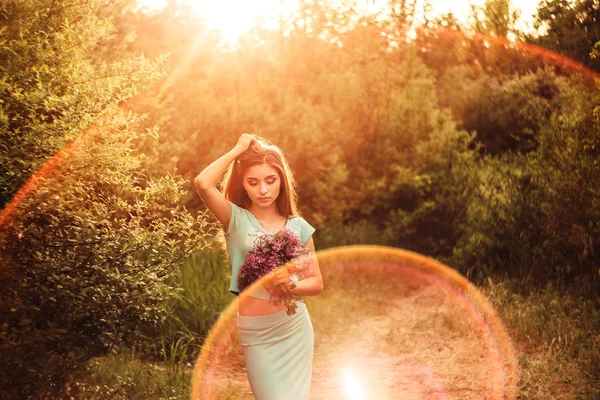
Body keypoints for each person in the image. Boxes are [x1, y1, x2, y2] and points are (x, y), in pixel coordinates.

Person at [194, 133, 323, 400]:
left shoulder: (298, 227)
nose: (263, 190)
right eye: (253, 182)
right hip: (257, 332)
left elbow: (317, 283)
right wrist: (238, 150)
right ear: (243, 184)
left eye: (270, 180)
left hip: (294, 327)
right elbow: (203, 183)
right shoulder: (235, 219)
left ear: (281, 181)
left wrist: (293, 283)